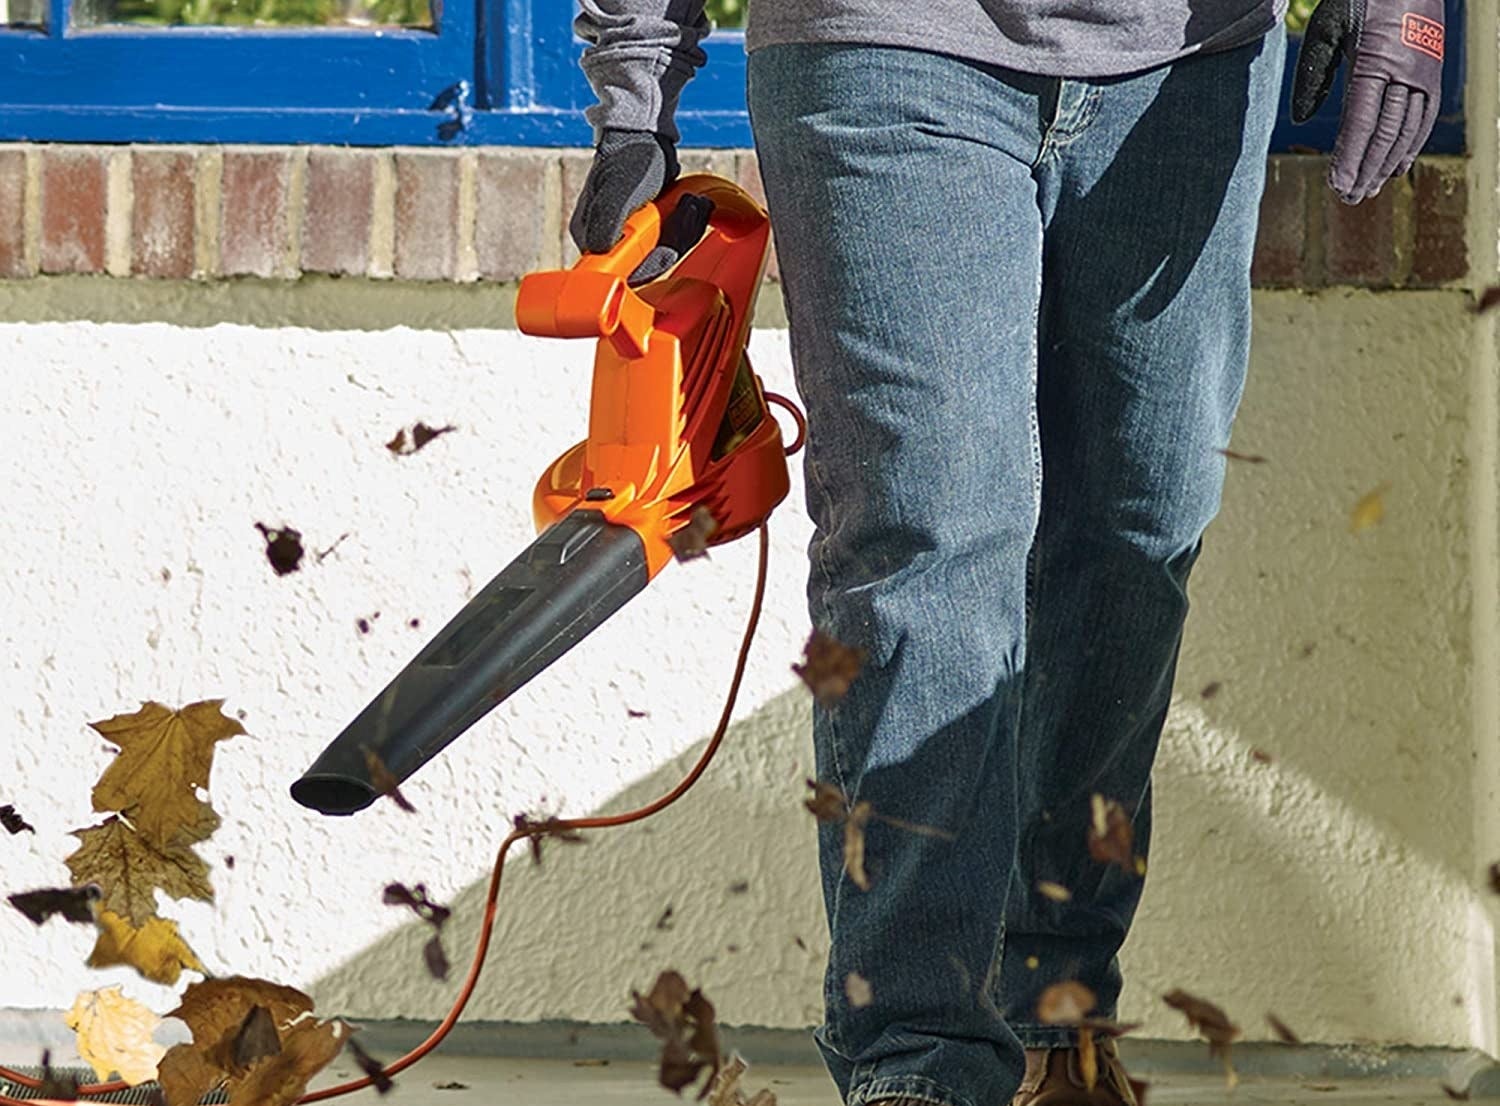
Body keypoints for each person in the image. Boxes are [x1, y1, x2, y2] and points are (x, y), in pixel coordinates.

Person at [567, 3, 1445, 1105]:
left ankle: (1056, 1003)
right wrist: (636, 89)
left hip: (1187, 63)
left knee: (1141, 523)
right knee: (926, 536)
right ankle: (917, 1055)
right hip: (883, 45)